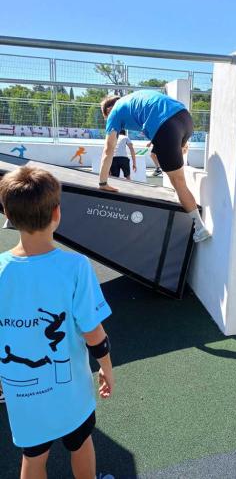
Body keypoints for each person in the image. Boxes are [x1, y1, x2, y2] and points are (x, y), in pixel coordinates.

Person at [0, 166, 114, 479]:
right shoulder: (75, 266)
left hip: (23, 396)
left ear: (7, 214)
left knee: (33, 458)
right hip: (70, 392)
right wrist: (106, 365)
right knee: (80, 443)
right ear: (57, 213)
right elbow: (93, 331)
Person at [99, 90, 210, 243]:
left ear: (108, 110)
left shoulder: (114, 112)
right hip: (185, 118)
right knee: (157, 152)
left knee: (178, 183)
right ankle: (180, 151)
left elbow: (108, 148)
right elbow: (158, 111)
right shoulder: (133, 99)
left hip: (166, 127)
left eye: (105, 118)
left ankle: (200, 227)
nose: (107, 121)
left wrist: (103, 182)